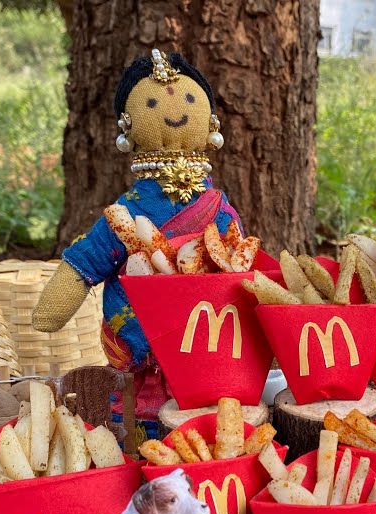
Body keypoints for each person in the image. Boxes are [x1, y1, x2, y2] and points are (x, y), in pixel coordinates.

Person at [33, 49, 240, 438]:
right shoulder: (128, 212)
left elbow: (238, 257)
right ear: (128, 126)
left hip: (208, 334)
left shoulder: (216, 207)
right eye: (152, 105)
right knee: (144, 407)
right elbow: (89, 258)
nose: (175, 111)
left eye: (189, 99)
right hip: (148, 345)